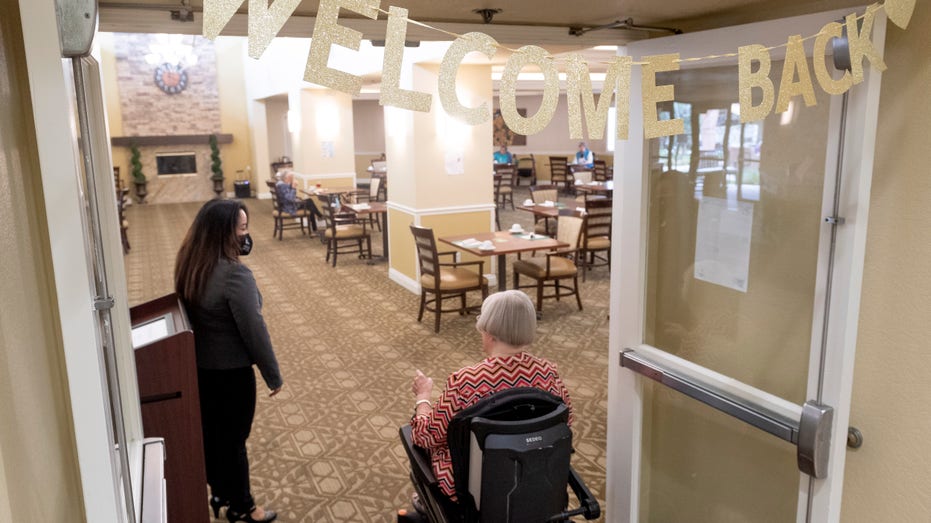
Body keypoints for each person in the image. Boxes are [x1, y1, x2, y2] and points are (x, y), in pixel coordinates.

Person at [174, 199, 282, 523]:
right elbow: (254, 329)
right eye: (243, 229)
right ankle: (244, 508)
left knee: (215, 437)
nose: (246, 236)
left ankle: (220, 491)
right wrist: (272, 375)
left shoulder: (190, 263)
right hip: (233, 375)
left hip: (201, 371)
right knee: (235, 442)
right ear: (225, 232)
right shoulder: (236, 276)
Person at [409, 290, 573, 501]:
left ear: (490, 333)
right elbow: (565, 421)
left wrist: (423, 397)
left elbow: (426, 437)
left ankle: (425, 502)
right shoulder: (548, 373)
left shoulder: (466, 381)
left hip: (474, 487)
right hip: (533, 476)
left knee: (417, 438)